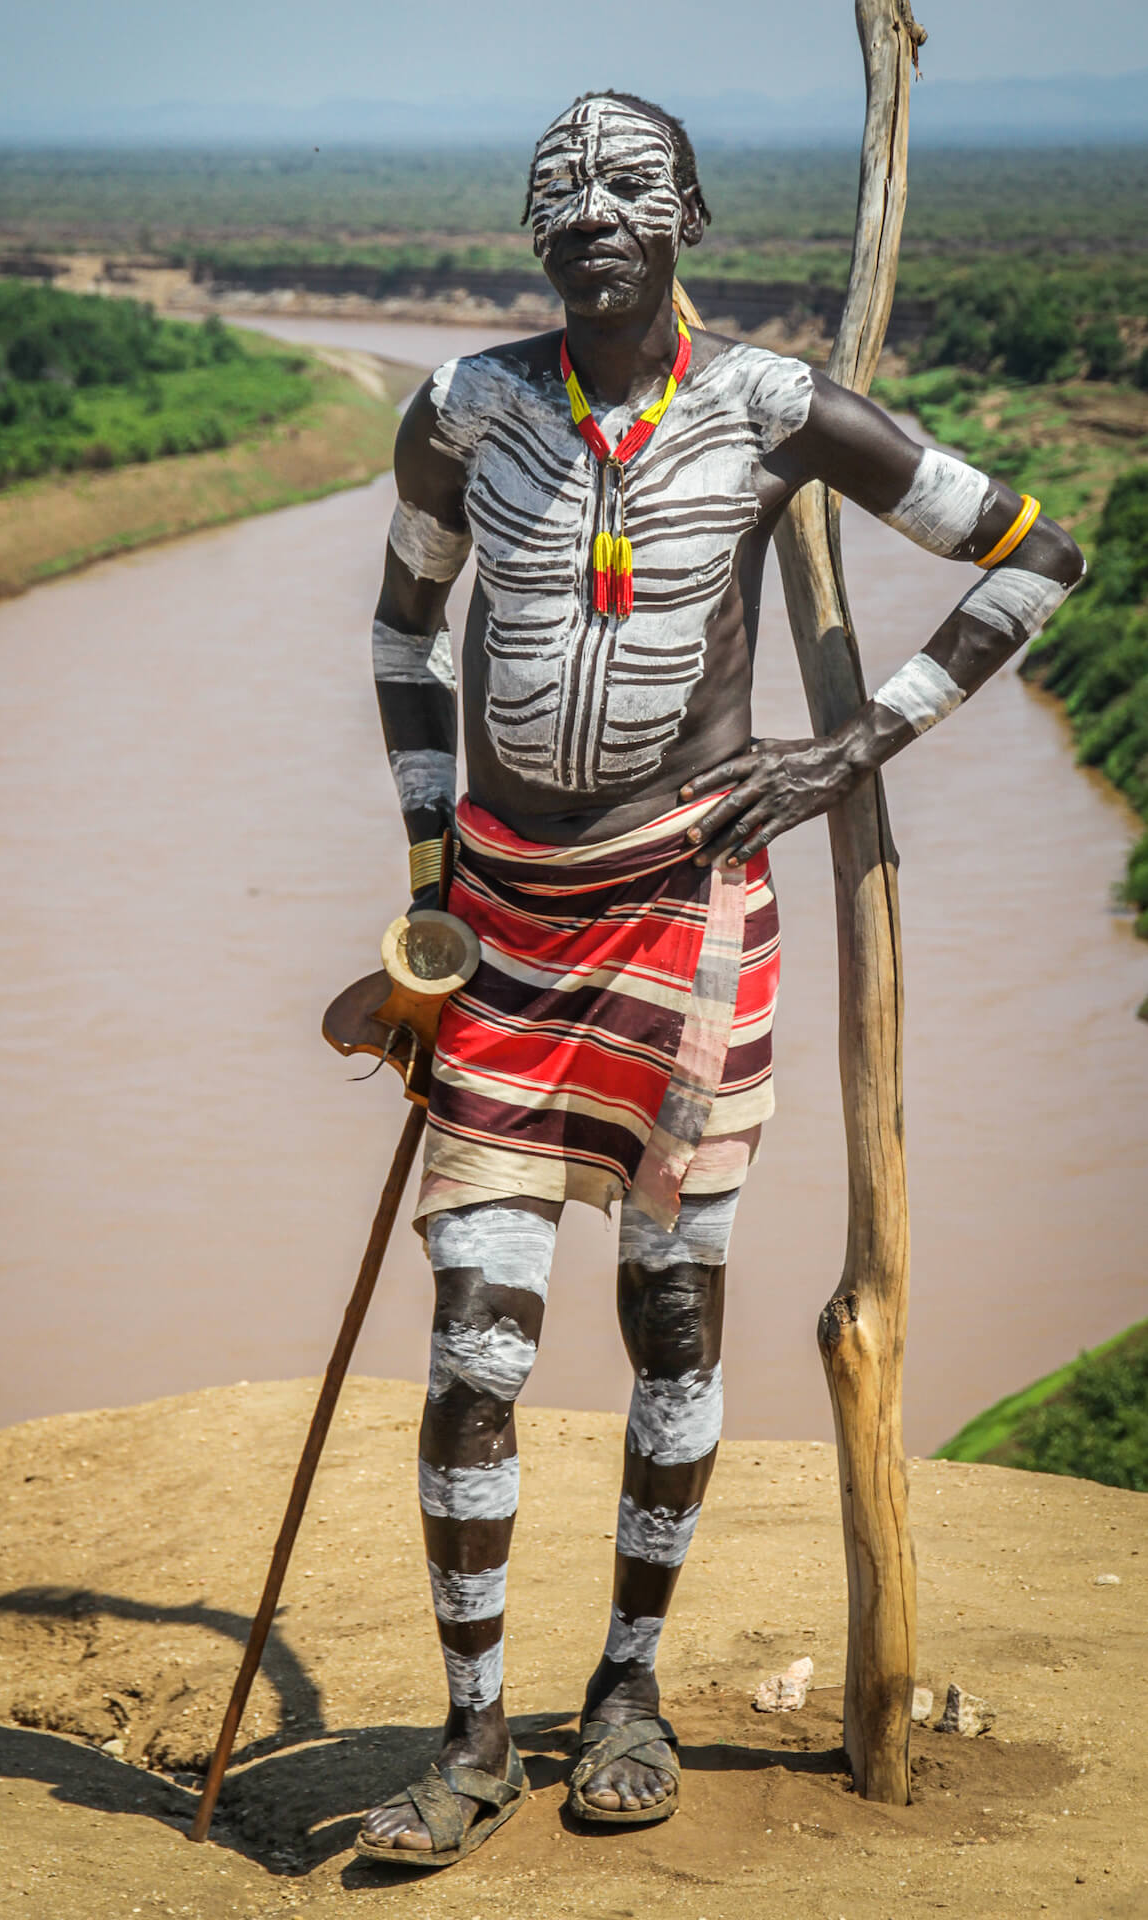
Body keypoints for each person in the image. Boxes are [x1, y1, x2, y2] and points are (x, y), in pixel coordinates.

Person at [356, 90, 1083, 1867]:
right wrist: (432, 882)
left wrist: (855, 745)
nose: (591, 214)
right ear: (530, 230)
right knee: (472, 1346)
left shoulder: (771, 410)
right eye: (560, 191)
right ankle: (470, 1735)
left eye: (629, 188)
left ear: (686, 217)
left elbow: (1033, 551)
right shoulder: (462, 414)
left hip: (687, 920)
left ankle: (625, 1689)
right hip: (505, 934)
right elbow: (401, 632)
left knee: (670, 1318)